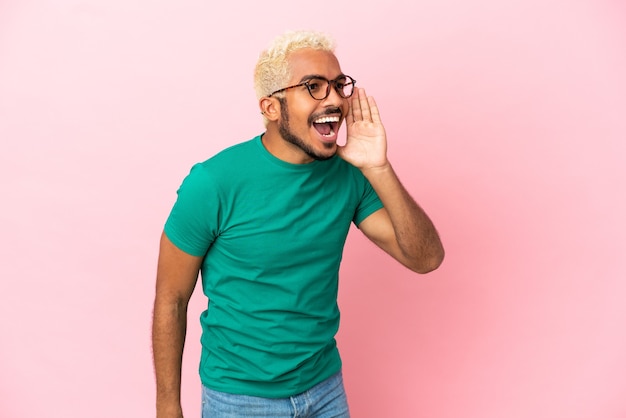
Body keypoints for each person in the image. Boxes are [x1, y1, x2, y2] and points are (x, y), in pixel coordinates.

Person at [152, 30, 444, 418]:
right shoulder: (213, 183)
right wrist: (167, 408)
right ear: (272, 108)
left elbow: (425, 258)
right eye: (314, 87)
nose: (337, 99)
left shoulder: (350, 175)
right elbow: (171, 300)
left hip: (325, 389)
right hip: (240, 400)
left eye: (339, 85)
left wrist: (378, 167)